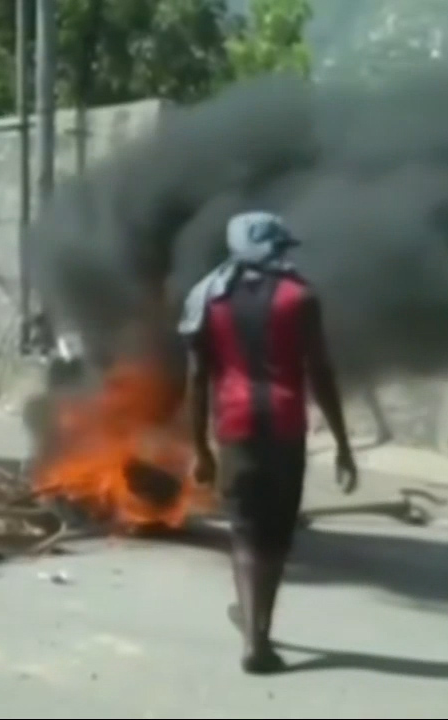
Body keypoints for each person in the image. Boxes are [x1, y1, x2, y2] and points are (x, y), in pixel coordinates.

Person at [178, 210, 358, 674]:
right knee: (276, 535)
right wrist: (341, 443)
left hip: (235, 430)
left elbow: (198, 380)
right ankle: (259, 633)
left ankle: (253, 634)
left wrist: (200, 448)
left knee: (244, 534)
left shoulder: (208, 299)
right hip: (284, 428)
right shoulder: (301, 298)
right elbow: (320, 372)